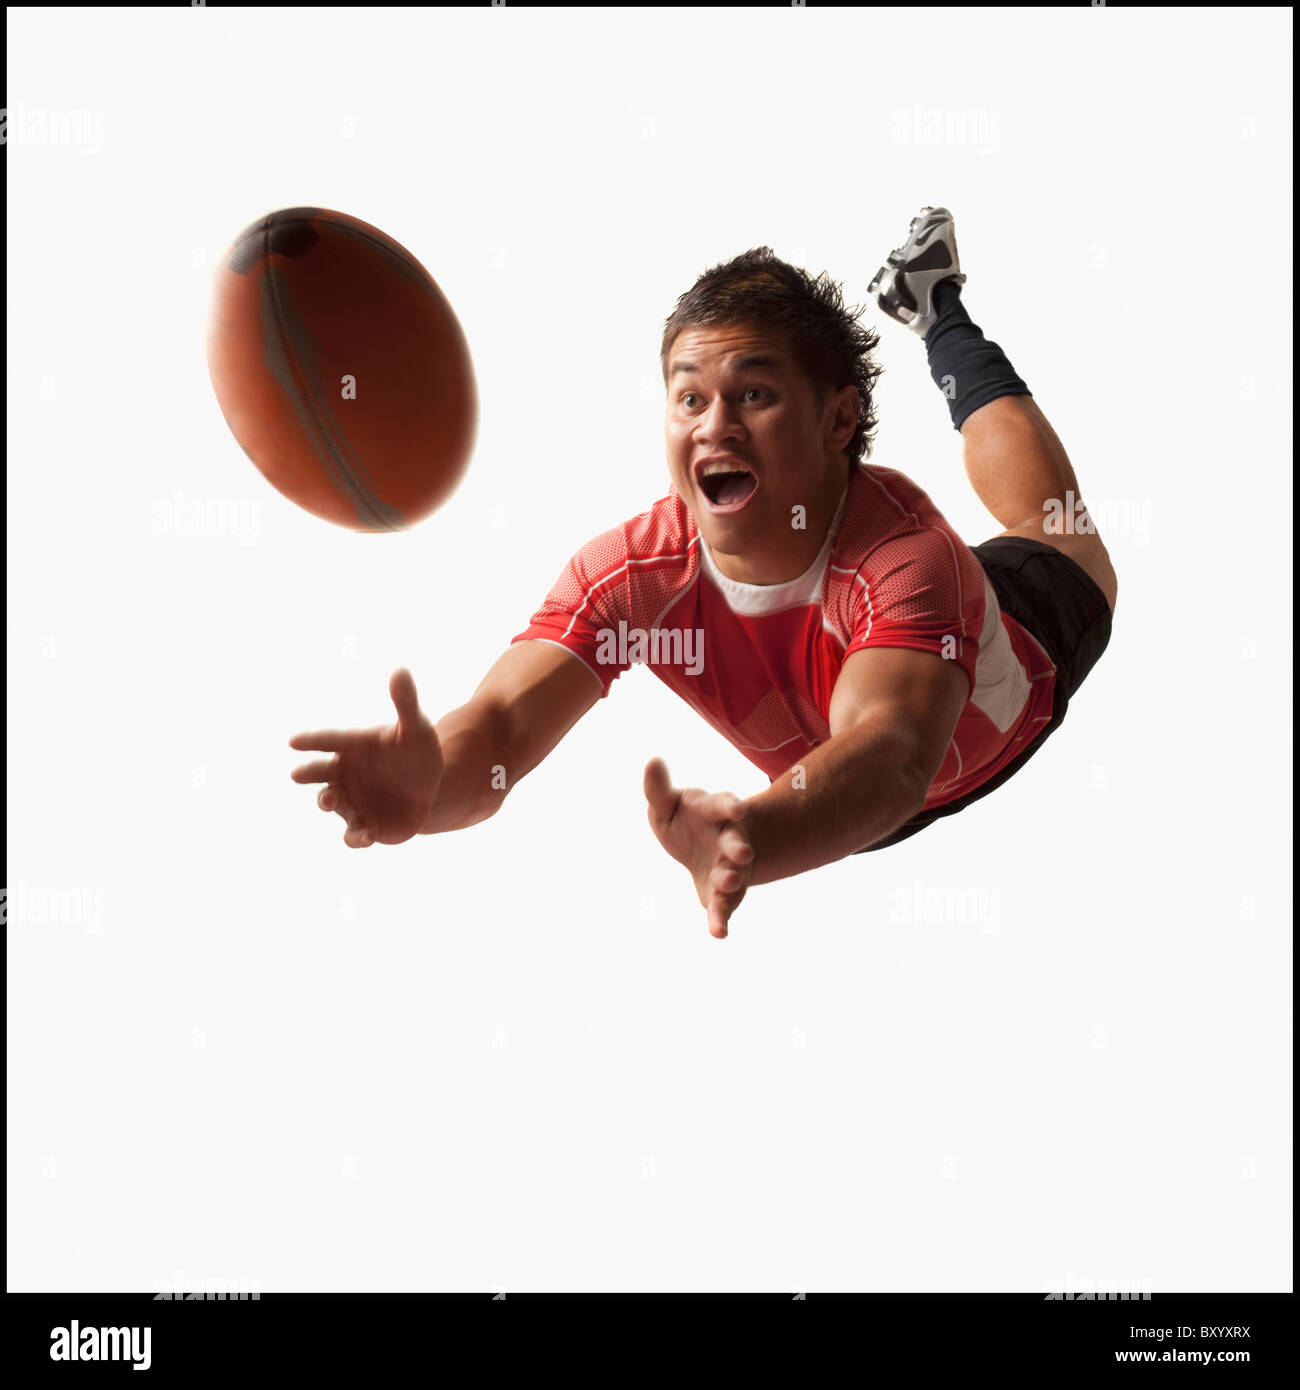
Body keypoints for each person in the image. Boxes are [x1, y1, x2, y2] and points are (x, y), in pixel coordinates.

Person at [290, 207, 1116, 939]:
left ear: (837, 418)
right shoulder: (634, 575)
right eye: (689, 399)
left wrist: (754, 831)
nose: (714, 425)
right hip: (837, 801)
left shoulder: (908, 559)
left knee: (1057, 529)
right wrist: (431, 784)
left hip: (1007, 695)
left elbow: (894, 757)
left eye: (753, 394)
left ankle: (937, 307)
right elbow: (498, 729)